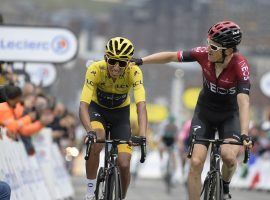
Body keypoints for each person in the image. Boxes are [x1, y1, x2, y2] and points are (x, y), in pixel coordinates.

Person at [132, 21, 253, 200]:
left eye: (213, 46)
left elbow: (243, 101)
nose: (208, 49)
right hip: (204, 113)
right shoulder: (203, 54)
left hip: (229, 115)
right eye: (208, 43)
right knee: (195, 162)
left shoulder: (240, 65)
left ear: (227, 51)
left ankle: (225, 185)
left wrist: (245, 134)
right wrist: (142, 61)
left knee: (228, 156)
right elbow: (171, 56)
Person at [79, 37, 148, 200]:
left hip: (120, 115)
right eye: (112, 61)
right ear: (105, 58)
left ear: (129, 62)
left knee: (124, 163)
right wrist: (89, 131)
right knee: (97, 140)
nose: (116, 67)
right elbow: (83, 106)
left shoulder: (134, 71)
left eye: (122, 63)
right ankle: (90, 192)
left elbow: (141, 106)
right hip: (98, 111)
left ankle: (121, 196)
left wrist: (143, 135)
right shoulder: (95, 69)